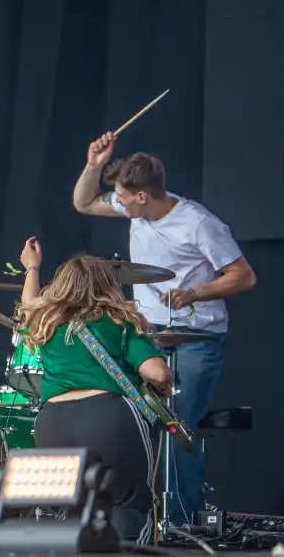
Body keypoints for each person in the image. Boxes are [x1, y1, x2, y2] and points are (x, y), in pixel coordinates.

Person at [72, 132, 257, 525]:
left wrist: (195, 292)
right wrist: (93, 163)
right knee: (132, 421)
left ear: (142, 196)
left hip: (196, 339)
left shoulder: (199, 223)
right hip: (149, 333)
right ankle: (138, 519)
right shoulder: (134, 209)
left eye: (122, 196)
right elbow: (83, 202)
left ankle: (178, 526)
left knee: (177, 427)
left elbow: (243, 277)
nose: (117, 202)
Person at [16, 239, 173, 544]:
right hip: (108, 419)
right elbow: (157, 372)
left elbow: (28, 306)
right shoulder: (118, 319)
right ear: (108, 286)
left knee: (68, 507)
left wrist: (32, 268)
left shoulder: (46, 321)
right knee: (127, 503)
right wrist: (163, 385)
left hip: (52, 423)